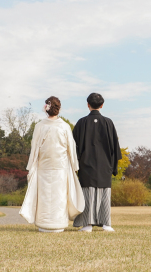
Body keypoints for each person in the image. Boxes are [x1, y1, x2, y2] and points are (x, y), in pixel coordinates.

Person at [20, 96, 84, 233]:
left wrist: (31, 166)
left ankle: (44, 224)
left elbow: (34, 147)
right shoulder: (65, 126)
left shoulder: (40, 126)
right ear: (59, 109)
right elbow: (71, 147)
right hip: (60, 166)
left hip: (44, 166)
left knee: (44, 195)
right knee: (59, 196)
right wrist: (74, 165)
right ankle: (58, 223)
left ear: (46, 108)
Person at [72, 92, 122, 232]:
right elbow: (115, 147)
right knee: (104, 194)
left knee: (87, 194)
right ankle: (107, 224)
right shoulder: (108, 122)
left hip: (86, 165)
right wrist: (113, 167)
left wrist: (75, 165)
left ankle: (87, 225)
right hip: (105, 165)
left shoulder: (82, 122)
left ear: (88, 104)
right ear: (102, 105)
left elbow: (73, 146)